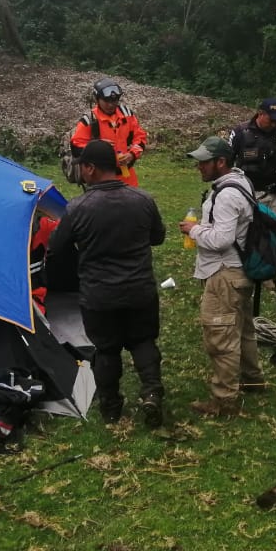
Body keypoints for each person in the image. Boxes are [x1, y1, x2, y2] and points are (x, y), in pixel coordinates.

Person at [46, 140, 167, 427]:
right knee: (143, 341)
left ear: (90, 168)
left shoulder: (78, 208)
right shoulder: (143, 199)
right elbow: (158, 237)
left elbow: (56, 248)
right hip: (140, 290)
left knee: (107, 349)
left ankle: (111, 407)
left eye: (82, 168)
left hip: (99, 295)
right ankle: (151, 392)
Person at [178, 135, 264, 417]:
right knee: (243, 329)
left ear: (221, 162)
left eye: (204, 162)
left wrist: (193, 230)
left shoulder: (227, 194)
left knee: (221, 335)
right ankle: (252, 379)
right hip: (240, 272)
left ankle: (224, 400)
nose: (199, 167)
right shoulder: (242, 182)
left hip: (224, 273)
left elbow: (221, 239)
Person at [228, 97, 276, 219]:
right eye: (272, 120)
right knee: (247, 233)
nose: (275, 124)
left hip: (274, 196)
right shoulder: (240, 132)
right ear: (260, 114)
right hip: (247, 193)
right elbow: (228, 161)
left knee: (274, 234)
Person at [68, 77, 149, 187]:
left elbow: (140, 137)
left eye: (114, 101)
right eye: (106, 101)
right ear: (97, 100)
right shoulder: (89, 120)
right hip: (100, 179)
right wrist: (99, 145)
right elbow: (77, 147)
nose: (111, 105)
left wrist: (132, 154)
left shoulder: (127, 115)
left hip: (126, 176)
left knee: (133, 202)